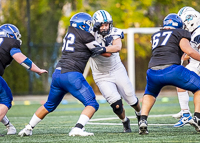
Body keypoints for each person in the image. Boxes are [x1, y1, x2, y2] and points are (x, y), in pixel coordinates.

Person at [18, 12, 109, 137]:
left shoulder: (68, 34)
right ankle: (77, 128)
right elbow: (102, 52)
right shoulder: (85, 36)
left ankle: (28, 128)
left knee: (48, 105)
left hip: (58, 74)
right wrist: (112, 44)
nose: (90, 26)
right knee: (92, 103)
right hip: (71, 75)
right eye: (88, 24)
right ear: (83, 25)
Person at [139, 13, 200, 135]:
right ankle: (198, 118)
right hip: (173, 70)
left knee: (150, 93)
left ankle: (142, 120)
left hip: (153, 71)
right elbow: (188, 50)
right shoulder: (180, 33)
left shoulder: (156, 35)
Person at [90, 10, 141, 133]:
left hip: (116, 69)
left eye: (107, 24)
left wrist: (102, 49)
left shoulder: (114, 32)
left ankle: (140, 114)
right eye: (102, 25)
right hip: (100, 74)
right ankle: (125, 121)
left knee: (131, 98)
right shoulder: (89, 34)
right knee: (116, 105)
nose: (105, 27)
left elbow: (117, 47)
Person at [0, 23, 48, 136]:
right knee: (6, 99)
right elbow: (21, 59)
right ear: (10, 35)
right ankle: (9, 126)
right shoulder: (10, 42)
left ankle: (9, 126)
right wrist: (37, 70)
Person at [172, 8, 200, 127]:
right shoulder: (193, 33)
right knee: (181, 82)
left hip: (197, 62)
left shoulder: (198, 33)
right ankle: (186, 114)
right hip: (195, 63)